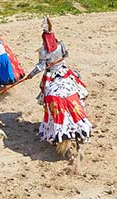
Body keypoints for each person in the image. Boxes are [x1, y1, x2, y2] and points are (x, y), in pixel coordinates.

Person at [26, 17, 92, 145]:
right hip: (64, 70)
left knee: (45, 92)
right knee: (78, 87)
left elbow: (41, 66)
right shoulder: (61, 45)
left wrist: (31, 75)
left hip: (52, 75)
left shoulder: (43, 51)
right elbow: (66, 55)